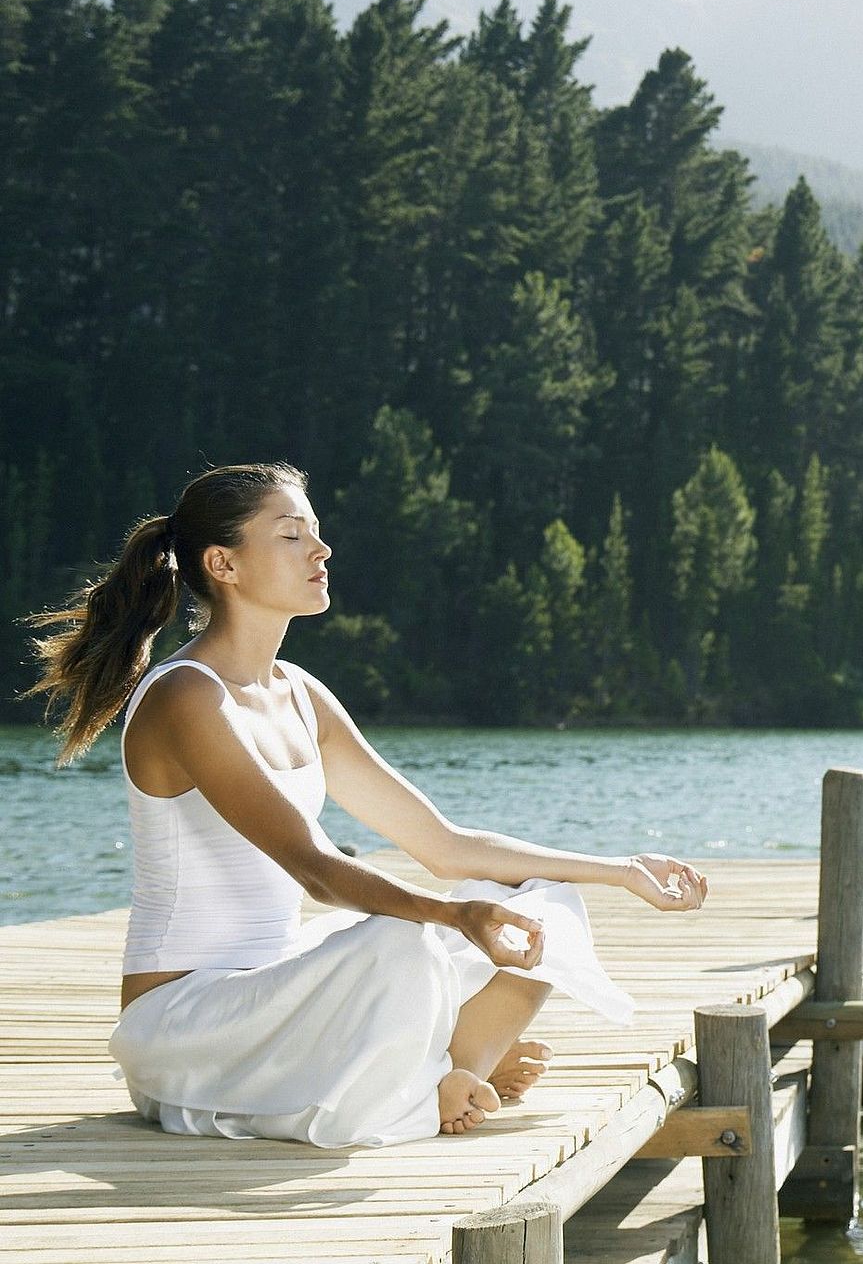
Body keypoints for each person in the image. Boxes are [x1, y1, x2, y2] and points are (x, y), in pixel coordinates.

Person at [20, 461, 709, 1146]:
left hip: (281, 995)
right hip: (185, 1026)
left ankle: (453, 1069)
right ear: (223, 564)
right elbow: (317, 868)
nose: (321, 550)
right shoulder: (187, 696)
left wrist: (619, 868)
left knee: (544, 901)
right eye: (292, 535)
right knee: (397, 936)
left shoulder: (301, 693)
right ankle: (426, 1079)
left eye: (316, 534)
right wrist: (451, 914)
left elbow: (444, 844)